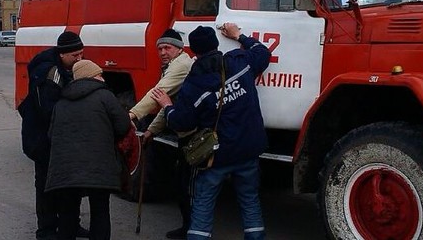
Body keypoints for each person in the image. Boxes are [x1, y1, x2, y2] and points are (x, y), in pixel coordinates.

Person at [151, 23, 269, 240]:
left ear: (193, 50)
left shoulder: (194, 83)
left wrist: (167, 106)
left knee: (203, 205)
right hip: (248, 149)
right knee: (250, 201)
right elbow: (262, 52)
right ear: (216, 44)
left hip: (217, 157)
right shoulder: (239, 62)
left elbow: (181, 122)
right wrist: (239, 36)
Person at [46, 60, 131, 240]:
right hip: (98, 166)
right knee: (100, 210)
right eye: (100, 74)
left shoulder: (61, 101)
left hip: (66, 169)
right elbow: (123, 125)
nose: (102, 78)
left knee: (68, 213)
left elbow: (52, 134)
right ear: (92, 76)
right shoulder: (106, 96)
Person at [18, 31, 89, 239]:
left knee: (69, 186)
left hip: (58, 138)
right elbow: (48, 111)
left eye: (81, 54)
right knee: (47, 186)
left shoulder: (64, 68)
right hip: (44, 140)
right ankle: (47, 230)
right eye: (75, 56)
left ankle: (70, 224)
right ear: (62, 55)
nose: (79, 59)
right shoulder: (49, 73)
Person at [128, 28, 194, 239]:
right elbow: (167, 104)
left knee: (188, 184)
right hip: (184, 125)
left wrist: (132, 114)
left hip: (192, 131)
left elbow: (158, 94)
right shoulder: (174, 65)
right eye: (160, 48)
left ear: (179, 48)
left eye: (168, 47)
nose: (163, 52)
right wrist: (151, 130)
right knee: (184, 182)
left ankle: (192, 229)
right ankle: (189, 226)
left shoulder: (181, 66)